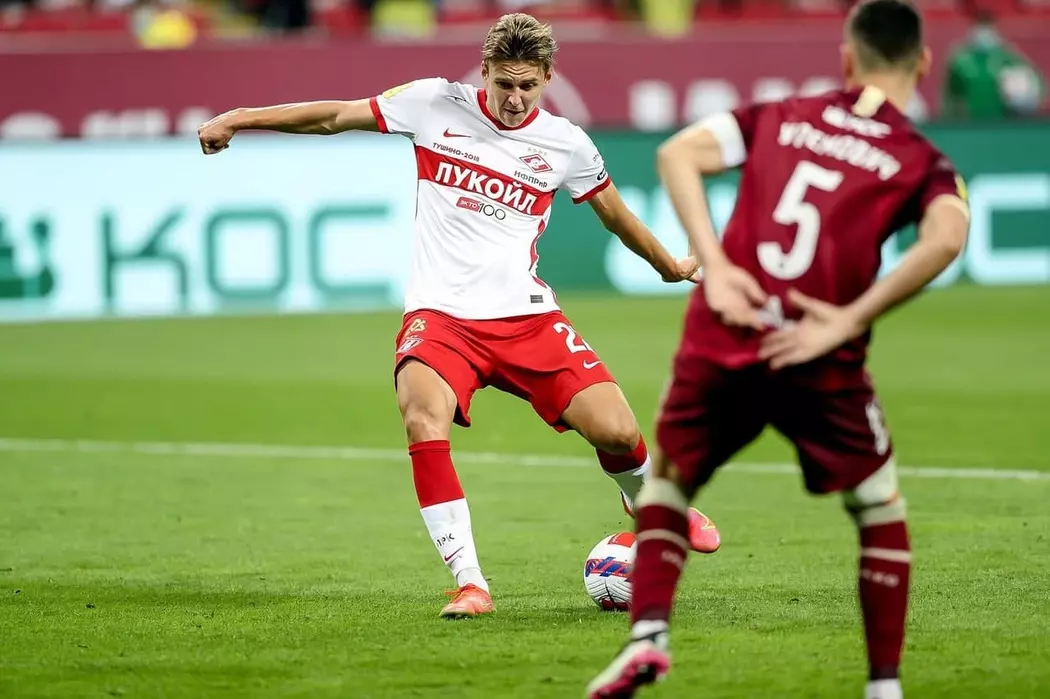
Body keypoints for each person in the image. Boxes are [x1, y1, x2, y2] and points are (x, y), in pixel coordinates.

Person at [197, 12, 721, 620]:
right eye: (505, 84)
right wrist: (240, 118)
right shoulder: (432, 105)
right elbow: (334, 116)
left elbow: (616, 216)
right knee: (422, 416)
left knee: (617, 432)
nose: (515, 99)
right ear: (485, 71)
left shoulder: (567, 143)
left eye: (528, 86)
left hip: (526, 319)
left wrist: (668, 266)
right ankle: (471, 583)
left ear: (547, 78)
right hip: (441, 318)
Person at [586, 0, 970, 696]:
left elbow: (676, 153)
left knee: (668, 482)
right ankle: (884, 686)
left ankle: (648, 637)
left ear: (846, 58)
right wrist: (850, 318)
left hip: (726, 333)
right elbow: (948, 236)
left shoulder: (781, 115)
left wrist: (714, 263)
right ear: (923, 63)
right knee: (877, 506)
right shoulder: (920, 158)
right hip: (817, 351)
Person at [941, 10, 1045, 120]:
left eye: (987, 27)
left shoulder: (1008, 57)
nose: (983, 33)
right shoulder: (960, 60)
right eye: (980, 27)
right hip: (970, 122)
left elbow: (1035, 81)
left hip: (1001, 121)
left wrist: (1024, 100)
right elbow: (950, 95)